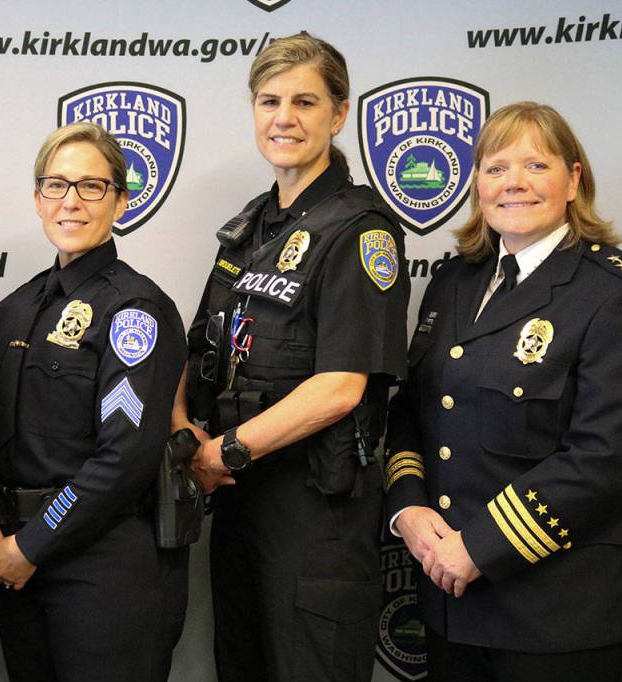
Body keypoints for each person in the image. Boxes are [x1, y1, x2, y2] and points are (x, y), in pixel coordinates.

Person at [385, 101, 622, 681]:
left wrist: (477, 548)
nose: (513, 182)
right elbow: (415, 411)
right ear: (477, 185)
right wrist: (409, 510)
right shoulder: (452, 282)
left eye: (536, 166)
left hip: (566, 614)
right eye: (495, 168)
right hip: (454, 602)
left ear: (574, 180)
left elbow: (603, 458)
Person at [174, 32, 410, 682]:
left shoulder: (360, 232)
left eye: (305, 102)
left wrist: (222, 452)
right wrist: (181, 433)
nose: (284, 117)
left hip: (316, 520)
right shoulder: (248, 230)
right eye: (269, 100)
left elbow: (340, 386)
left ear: (338, 114)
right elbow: (195, 352)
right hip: (239, 507)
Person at [0, 121, 188, 682]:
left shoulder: (136, 310)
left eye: (92, 186)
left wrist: (32, 544)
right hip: (17, 552)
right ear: (38, 199)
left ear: (121, 200)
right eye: (57, 185)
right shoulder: (16, 308)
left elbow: (125, 458)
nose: (72, 202)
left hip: (103, 564)